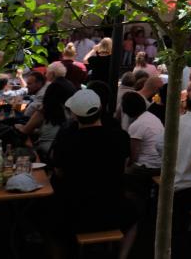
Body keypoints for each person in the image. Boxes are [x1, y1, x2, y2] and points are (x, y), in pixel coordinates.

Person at [49, 89, 138, 258]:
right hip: (112, 208)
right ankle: (123, 256)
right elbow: (126, 163)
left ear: (74, 115)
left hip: (73, 211)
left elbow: (59, 171)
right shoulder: (120, 136)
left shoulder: (67, 139)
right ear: (100, 109)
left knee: (48, 222)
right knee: (134, 218)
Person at [121, 91, 163, 174]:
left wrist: (126, 167)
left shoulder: (137, 125)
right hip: (160, 163)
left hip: (147, 165)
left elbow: (133, 155)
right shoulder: (151, 116)